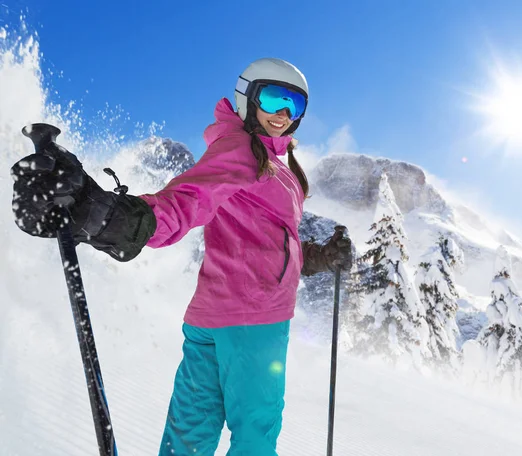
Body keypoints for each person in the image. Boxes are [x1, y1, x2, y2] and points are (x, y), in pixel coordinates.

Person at [11, 57, 353, 455]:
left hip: (210, 319)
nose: (282, 114)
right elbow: (189, 201)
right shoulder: (244, 150)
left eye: (294, 106)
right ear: (248, 97)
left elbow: (270, 242)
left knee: (190, 431)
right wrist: (108, 216)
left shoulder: (276, 165)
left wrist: (322, 257)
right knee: (255, 435)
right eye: (274, 98)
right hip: (256, 322)